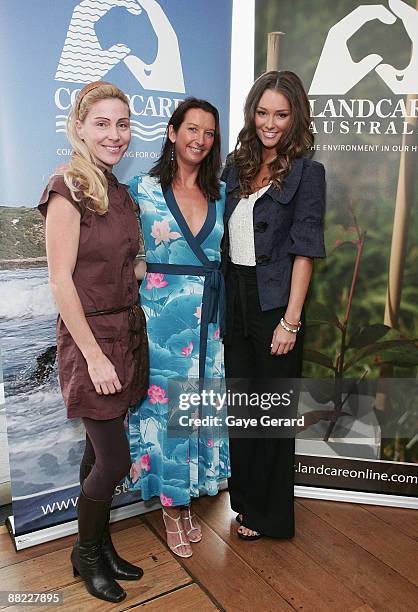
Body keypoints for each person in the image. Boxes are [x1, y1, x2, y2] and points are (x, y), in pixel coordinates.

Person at [38, 81, 148, 603]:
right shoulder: (67, 187)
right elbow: (61, 282)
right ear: (79, 127)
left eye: (122, 123)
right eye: (102, 123)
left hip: (126, 334)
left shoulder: (118, 191)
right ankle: (85, 553)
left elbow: (123, 260)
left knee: (97, 453)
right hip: (93, 343)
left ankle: (100, 548)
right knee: (115, 463)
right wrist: (95, 355)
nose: (114, 134)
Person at [221, 71, 326, 540]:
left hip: (275, 305)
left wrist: (291, 320)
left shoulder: (308, 172)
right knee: (243, 408)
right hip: (236, 301)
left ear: (295, 116)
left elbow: (305, 249)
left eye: (280, 114)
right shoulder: (236, 166)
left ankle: (272, 517)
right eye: (262, 112)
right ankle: (243, 504)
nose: (270, 123)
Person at [127, 98, 230, 558]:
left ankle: (188, 501)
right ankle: (171, 508)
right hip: (161, 321)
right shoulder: (141, 189)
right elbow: (124, 251)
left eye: (209, 133)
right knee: (166, 418)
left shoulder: (222, 193)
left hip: (208, 322)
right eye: (191, 129)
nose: (200, 140)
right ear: (171, 132)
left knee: (195, 415)